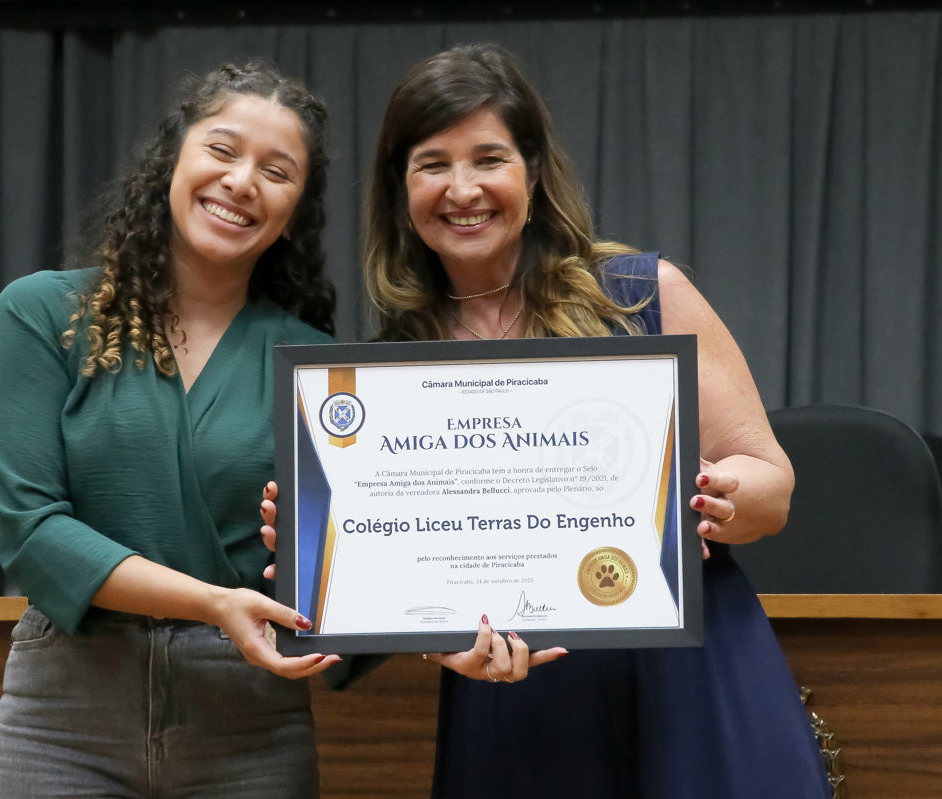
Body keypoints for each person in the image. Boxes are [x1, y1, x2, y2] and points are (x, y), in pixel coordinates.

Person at [354, 43, 827, 798]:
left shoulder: (639, 297)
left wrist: (714, 496)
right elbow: (404, 577)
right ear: (399, 188)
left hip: (688, 676)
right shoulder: (389, 374)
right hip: (520, 698)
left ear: (534, 173)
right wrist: (418, 621)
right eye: (432, 164)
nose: (462, 188)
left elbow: (772, 488)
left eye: (489, 159)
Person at [0, 61, 342, 797]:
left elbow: (347, 575)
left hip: (249, 726)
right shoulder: (42, 314)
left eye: (277, 171)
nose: (242, 182)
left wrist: (446, 630)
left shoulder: (317, 366)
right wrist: (214, 603)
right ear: (174, 158)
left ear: (295, 209)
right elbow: (31, 530)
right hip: (65, 717)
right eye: (222, 150)